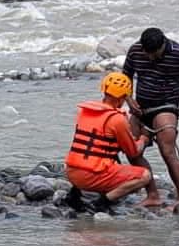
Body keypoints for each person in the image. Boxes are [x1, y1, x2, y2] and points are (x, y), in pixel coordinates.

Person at [122, 27, 179, 207]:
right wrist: (129, 99)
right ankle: (152, 194)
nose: (151, 57)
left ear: (163, 44)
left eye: (155, 53)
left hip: (166, 106)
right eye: (147, 53)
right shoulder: (136, 50)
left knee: (167, 151)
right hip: (140, 107)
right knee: (132, 150)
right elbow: (125, 76)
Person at [65, 73, 153, 211]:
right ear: (123, 97)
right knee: (145, 175)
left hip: (71, 172)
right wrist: (144, 139)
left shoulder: (84, 112)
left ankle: (75, 195)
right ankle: (101, 203)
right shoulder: (117, 119)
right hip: (91, 176)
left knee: (96, 158)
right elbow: (133, 152)